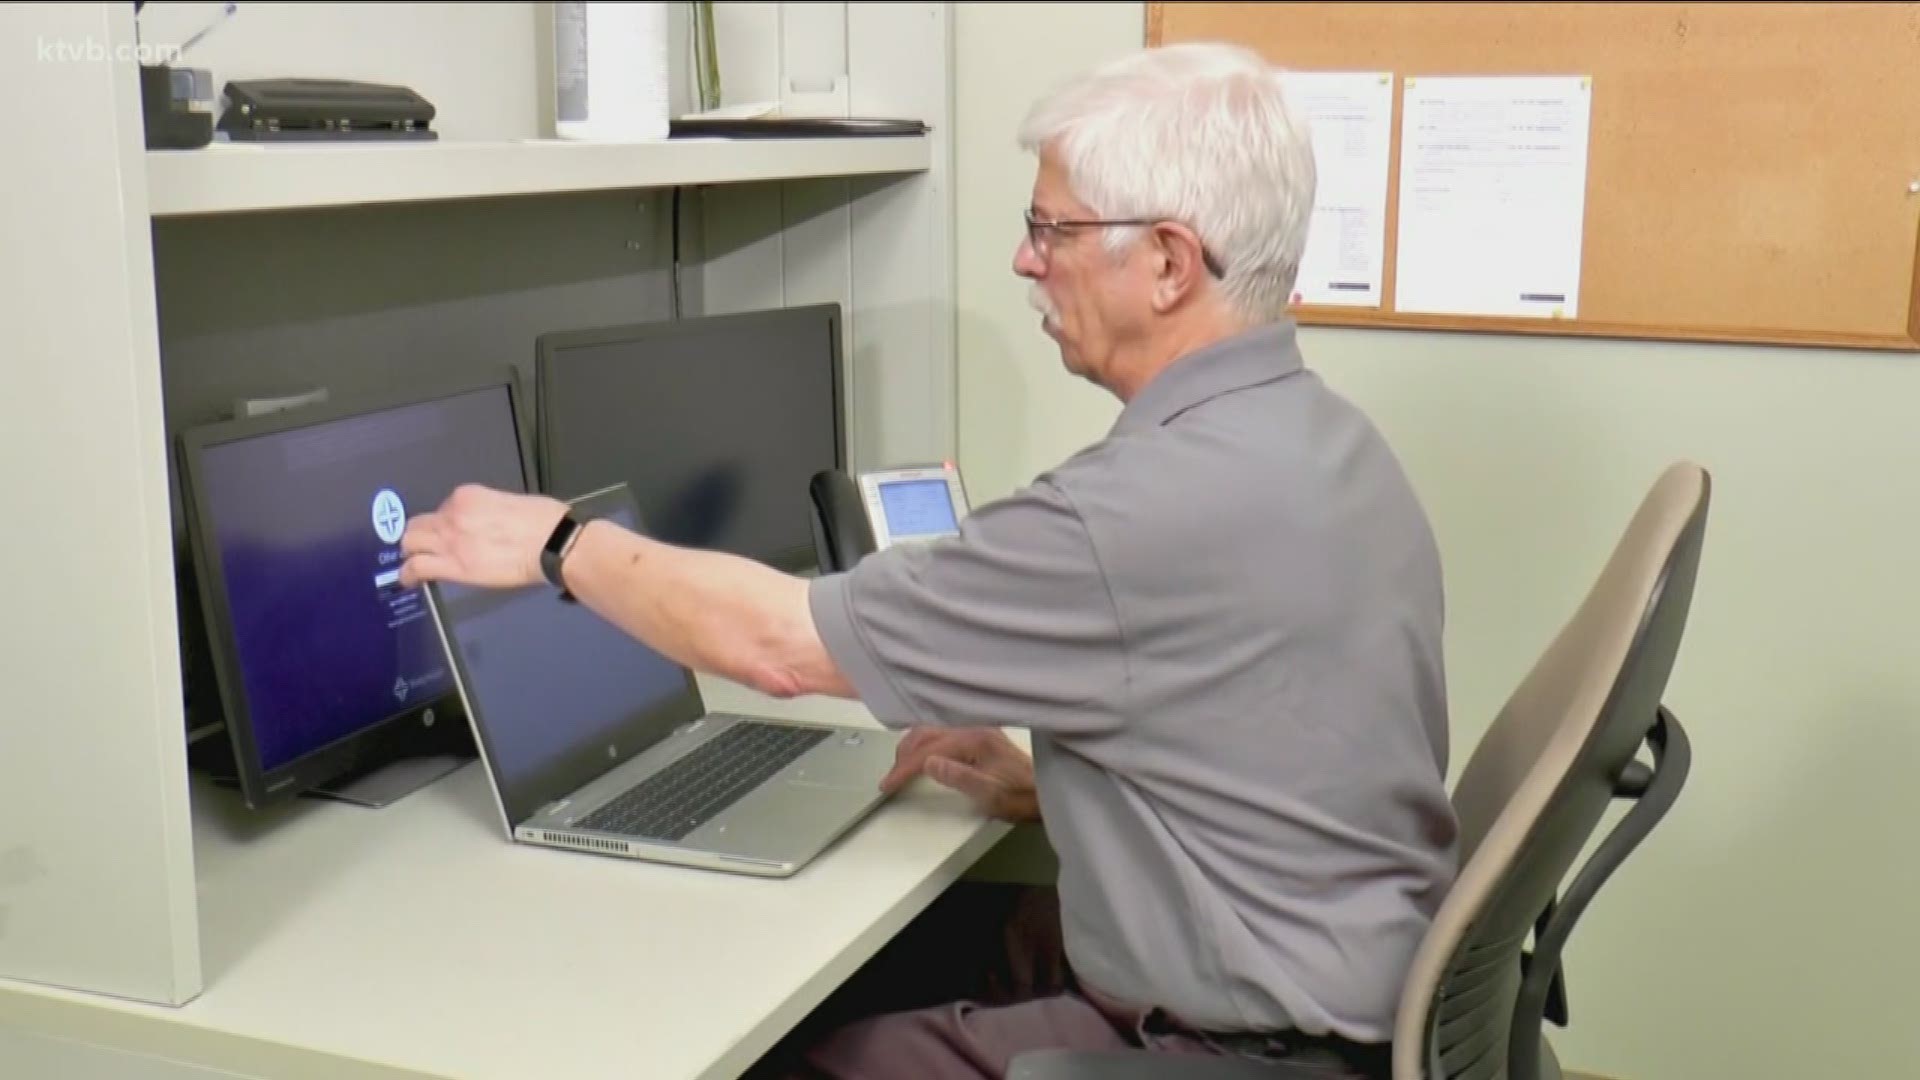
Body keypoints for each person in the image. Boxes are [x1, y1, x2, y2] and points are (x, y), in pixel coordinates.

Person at [399, 41, 1458, 1080]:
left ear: (1170, 263)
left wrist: (556, 544)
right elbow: (1288, 752)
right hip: (1359, 998)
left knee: (785, 1055)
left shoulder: (1132, 515)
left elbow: (778, 645)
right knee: (920, 951)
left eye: (1053, 228)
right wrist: (1063, 792)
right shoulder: (1336, 446)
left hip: (1236, 1044)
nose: (1025, 259)